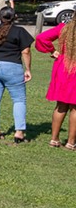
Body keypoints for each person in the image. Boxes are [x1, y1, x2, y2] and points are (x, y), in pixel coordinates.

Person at [0, 6, 33, 142]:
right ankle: (19, 132)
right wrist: (27, 69)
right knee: (19, 99)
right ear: (14, 17)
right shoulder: (19, 31)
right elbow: (25, 51)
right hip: (11, 66)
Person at [35, 20, 76, 149]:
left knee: (61, 105)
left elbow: (41, 38)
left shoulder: (64, 28)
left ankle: (54, 139)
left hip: (63, 68)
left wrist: (52, 51)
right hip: (72, 68)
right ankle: (71, 142)